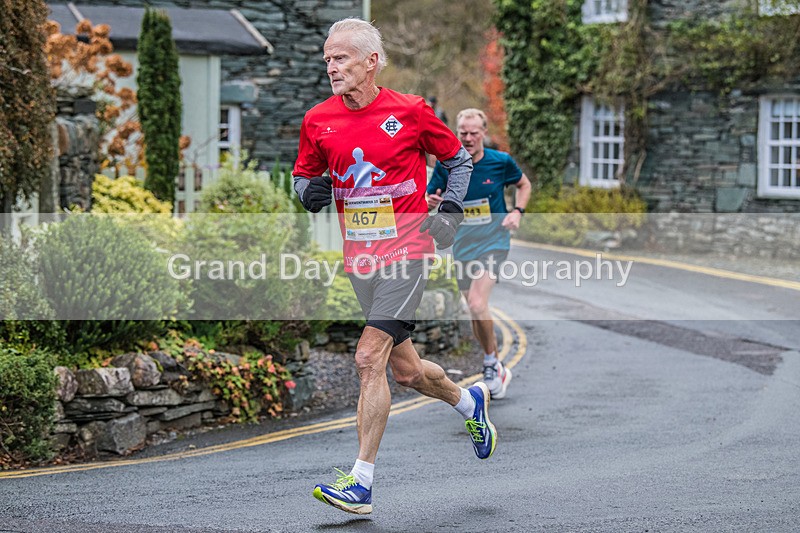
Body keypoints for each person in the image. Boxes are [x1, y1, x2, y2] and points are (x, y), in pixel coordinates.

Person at [292, 19, 497, 515]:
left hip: (406, 253)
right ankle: (469, 402)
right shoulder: (318, 118)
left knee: (368, 358)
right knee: (405, 372)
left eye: (340, 58)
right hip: (360, 260)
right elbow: (302, 177)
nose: (331, 67)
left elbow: (458, 160)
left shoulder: (410, 111)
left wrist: (449, 208)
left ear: (371, 62)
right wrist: (308, 193)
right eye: (327, 59)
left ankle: (360, 484)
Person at [427, 108, 532, 400]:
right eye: (463, 133)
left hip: (493, 242)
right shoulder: (447, 165)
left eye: (474, 133)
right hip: (462, 246)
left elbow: (524, 185)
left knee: (476, 302)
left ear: (484, 133)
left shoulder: (500, 162)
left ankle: (489, 364)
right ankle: (495, 363)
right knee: (474, 310)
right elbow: (427, 200)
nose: (469, 138)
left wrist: (517, 212)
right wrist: (431, 201)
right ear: (456, 133)